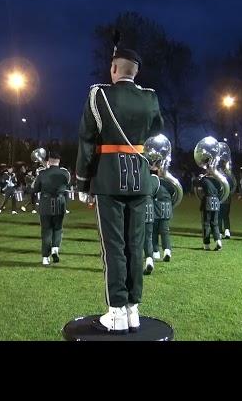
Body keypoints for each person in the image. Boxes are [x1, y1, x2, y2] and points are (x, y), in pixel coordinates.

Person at [75, 46, 163, 334]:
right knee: (134, 246)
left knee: (113, 248)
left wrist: (82, 181)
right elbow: (156, 135)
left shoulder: (98, 95)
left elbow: (87, 140)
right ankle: (133, 310)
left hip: (108, 179)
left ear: (114, 69)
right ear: (136, 71)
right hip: (140, 178)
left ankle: (116, 313)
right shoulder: (150, 98)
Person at [31, 150, 70, 265]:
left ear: (48, 161)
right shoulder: (65, 173)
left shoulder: (42, 173)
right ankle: (55, 249)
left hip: (46, 203)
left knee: (46, 230)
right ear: (59, 161)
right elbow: (67, 184)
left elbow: (35, 189)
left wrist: (40, 174)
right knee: (58, 228)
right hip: (59, 202)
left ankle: (45, 258)